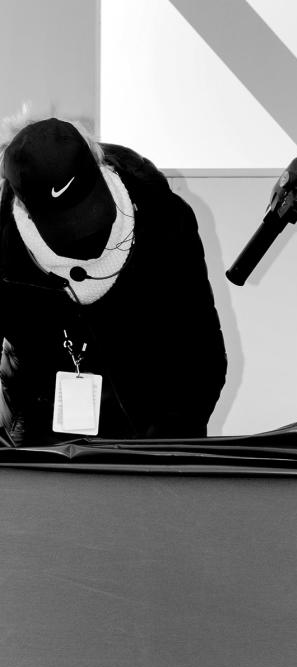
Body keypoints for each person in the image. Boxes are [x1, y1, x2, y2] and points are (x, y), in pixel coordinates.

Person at [0, 116, 227, 444]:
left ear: (96, 163)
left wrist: (163, 449)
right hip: (48, 449)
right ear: (24, 206)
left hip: (158, 444)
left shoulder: (164, 221)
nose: (83, 236)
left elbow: (202, 358)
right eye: (65, 224)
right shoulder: (8, 254)